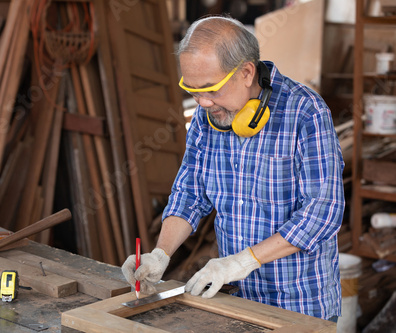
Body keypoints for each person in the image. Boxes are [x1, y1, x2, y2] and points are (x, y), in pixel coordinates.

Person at [122, 15, 345, 321]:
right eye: (194, 91)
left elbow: (323, 212)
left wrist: (242, 262)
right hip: (237, 301)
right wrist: (161, 253)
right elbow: (189, 192)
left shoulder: (305, 112)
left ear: (246, 72)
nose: (202, 103)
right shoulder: (208, 116)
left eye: (211, 90)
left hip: (299, 306)